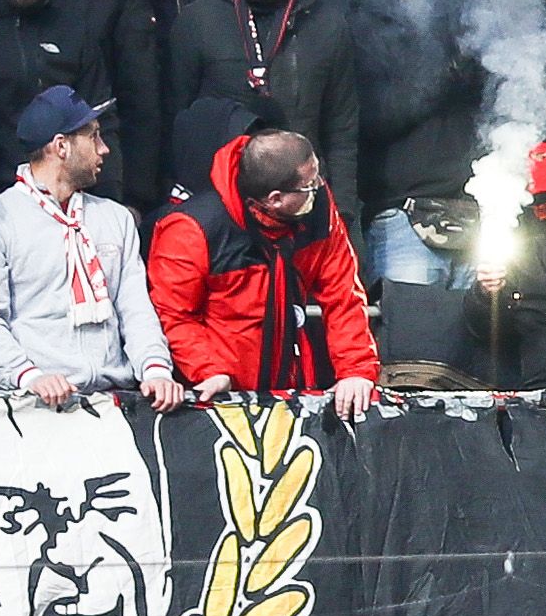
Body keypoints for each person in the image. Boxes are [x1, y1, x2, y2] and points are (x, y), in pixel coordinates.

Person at [0, 91, 184, 409]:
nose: (105, 149)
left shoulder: (115, 218)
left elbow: (135, 310)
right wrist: (29, 376)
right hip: (38, 406)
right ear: (61, 146)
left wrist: (156, 369)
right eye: (94, 137)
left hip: (114, 402)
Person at [146, 126, 380, 414]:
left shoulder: (318, 208)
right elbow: (173, 314)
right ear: (275, 199)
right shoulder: (191, 229)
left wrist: (355, 371)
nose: (319, 186)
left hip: (294, 389)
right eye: (308, 184)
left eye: (318, 174)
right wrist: (207, 370)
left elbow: (343, 293)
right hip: (221, 396)